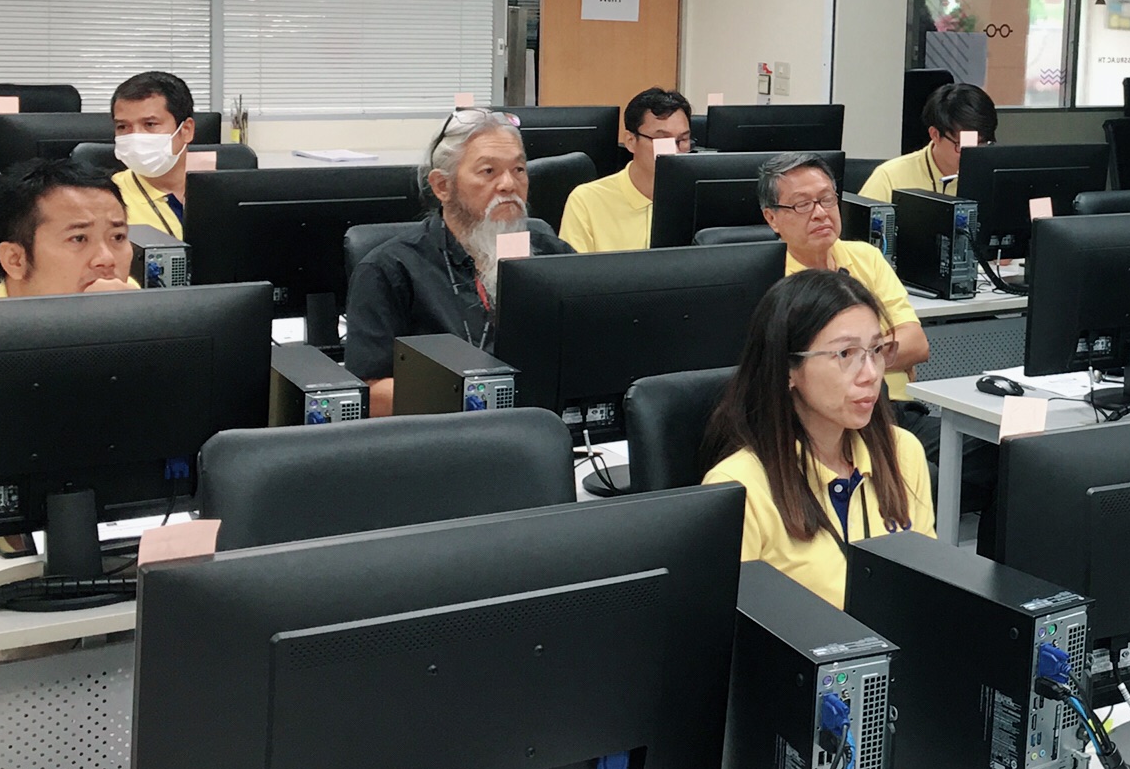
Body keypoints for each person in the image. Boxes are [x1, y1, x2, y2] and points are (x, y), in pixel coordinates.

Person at [701, 268, 935, 608]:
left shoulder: (902, 451)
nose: (870, 374)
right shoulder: (740, 487)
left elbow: (926, 590)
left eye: (876, 350)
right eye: (846, 354)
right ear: (788, 369)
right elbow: (728, 628)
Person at [344, 108, 571, 415]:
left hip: (546, 427)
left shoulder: (554, 255)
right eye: (488, 171)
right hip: (447, 434)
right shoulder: (390, 270)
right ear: (442, 186)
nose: (509, 184)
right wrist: (471, 398)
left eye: (519, 169)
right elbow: (369, 393)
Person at [758, 151, 928, 403]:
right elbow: (784, 368)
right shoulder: (768, 278)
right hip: (819, 413)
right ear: (772, 218)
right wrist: (884, 354)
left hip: (895, 406)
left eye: (826, 199)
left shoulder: (867, 256)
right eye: (802, 204)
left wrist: (841, 358)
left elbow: (916, 344)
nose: (820, 213)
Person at [557, 86, 694, 253]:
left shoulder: (697, 197)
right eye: (662, 140)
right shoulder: (587, 201)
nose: (675, 151)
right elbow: (574, 268)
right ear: (631, 141)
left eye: (683, 140)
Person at [0, 158, 139, 298]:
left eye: (118, 237)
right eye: (79, 238)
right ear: (15, 260)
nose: (107, 259)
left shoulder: (126, 293)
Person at [861, 82, 995, 200]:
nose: (972, 155)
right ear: (935, 135)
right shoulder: (891, 178)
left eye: (982, 145)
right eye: (962, 146)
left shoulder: (993, 177)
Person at [110, 69, 199, 239]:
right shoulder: (106, 198)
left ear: (186, 130)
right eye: (123, 127)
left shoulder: (222, 194)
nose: (135, 136)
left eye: (150, 124)